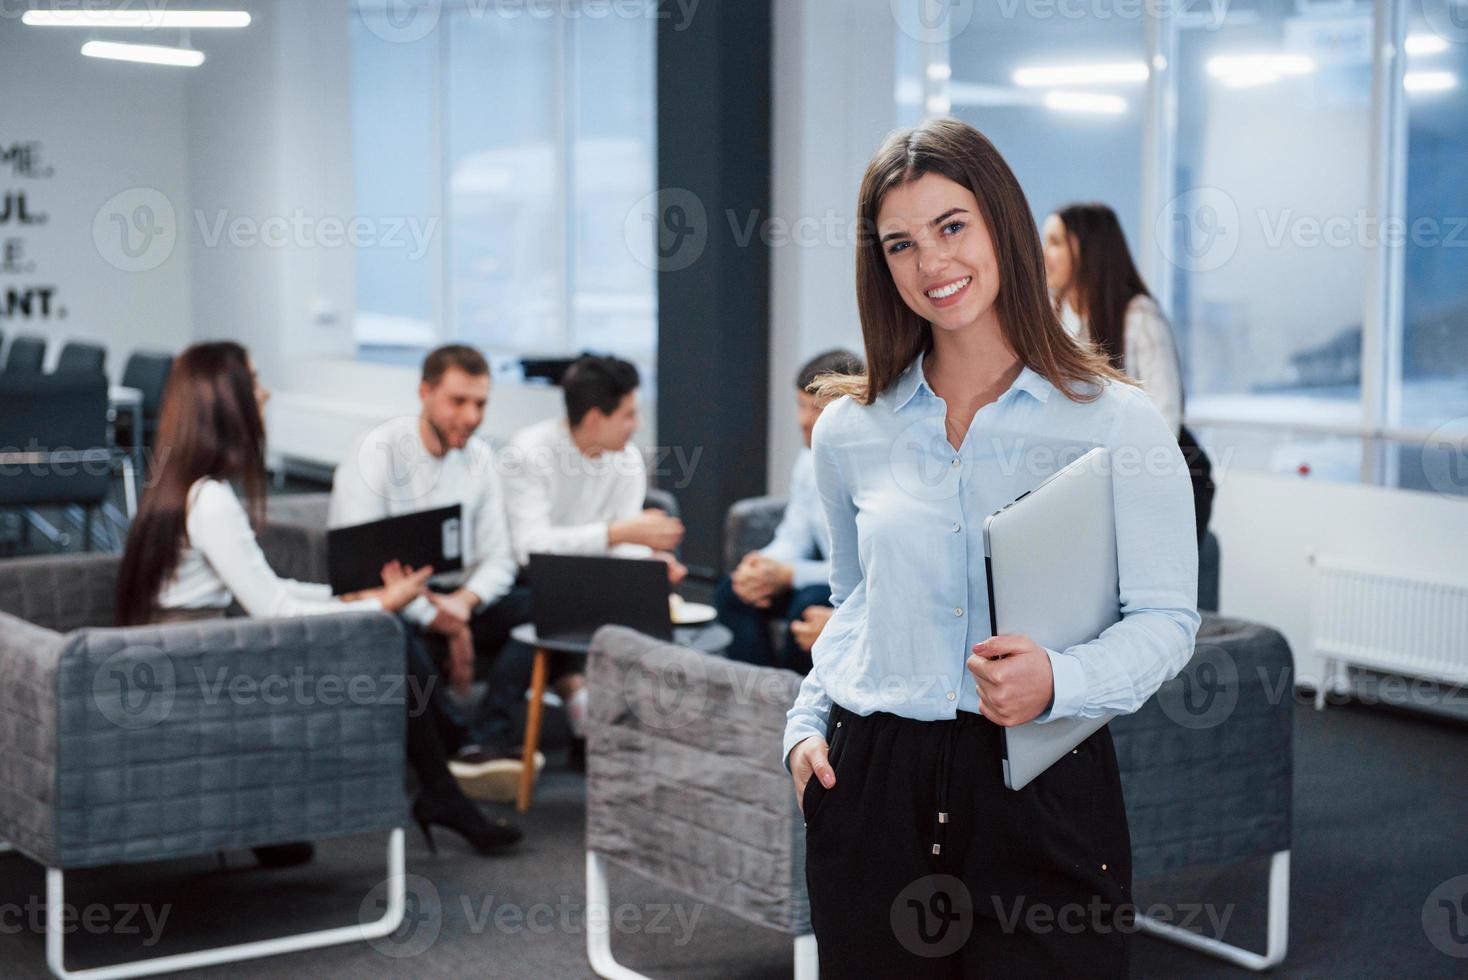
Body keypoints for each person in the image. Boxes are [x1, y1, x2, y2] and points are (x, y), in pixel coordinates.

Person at [784, 119, 1199, 977]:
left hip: (1040, 776)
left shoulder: (1116, 420)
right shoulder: (848, 431)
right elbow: (855, 607)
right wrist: (802, 728)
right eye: (900, 244)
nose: (931, 265)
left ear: (1001, 222)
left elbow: (1167, 621)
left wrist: (1062, 679)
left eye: (950, 227)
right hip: (872, 781)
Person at [115, 341, 521, 858]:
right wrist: (376, 606)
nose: (265, 393)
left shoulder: (185, 487)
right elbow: (276, 611)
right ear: (228, 400)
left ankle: (438, 783)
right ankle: (444, 784)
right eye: (255, 381)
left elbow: (270, 589)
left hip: (193, 653)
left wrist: (368, 596)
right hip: (202, 672)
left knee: (390, 632)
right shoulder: (212, 500)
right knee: (387, 638)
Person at [329, 344, 537, 799]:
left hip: (458, 600)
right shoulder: (375, 455)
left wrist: (461, 606)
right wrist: (434, 615)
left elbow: (499, 557)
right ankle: (461, 746)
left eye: (480, 403)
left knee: (544, 607)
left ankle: (490, 736)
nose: (470, 416)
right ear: (425, 393)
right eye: (457, 401)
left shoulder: (481, 459)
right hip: (396, 607)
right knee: (396, 632)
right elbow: (359, 572)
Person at [470, 355, 683, 775]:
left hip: (594, 580)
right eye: (628, 414)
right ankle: (495, 736)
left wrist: (650, 564)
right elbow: (530, 550)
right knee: (545, 612)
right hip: (524, 583)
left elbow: (622, 547)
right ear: (593, 418)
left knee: (649, 601)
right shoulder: (529, 454)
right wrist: (618, 534)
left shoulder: (625, 459)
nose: (637, 425)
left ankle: (618, 732)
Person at [1042, 202, 1215, 542]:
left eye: (1056, 242)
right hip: (1102, 477)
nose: (1044, 254)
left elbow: (1165, 421)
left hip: (1167, 473)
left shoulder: (1139, 317)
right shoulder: (1060, 319)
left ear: (1089, 250)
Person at [714, 348, 863, 673]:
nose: (804, 421)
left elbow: (865, 568)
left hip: (854, 586)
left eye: (817, 409)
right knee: (732, 591)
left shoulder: (868, 466)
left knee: (807, 603)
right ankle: (758, 698)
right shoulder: (807, 459)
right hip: (817, 573)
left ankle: (795, 706)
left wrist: (789, 574)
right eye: (800, 405)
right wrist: (762, 566)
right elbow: (794, 535)